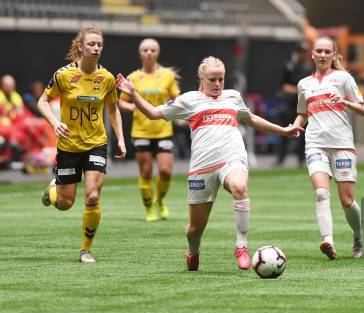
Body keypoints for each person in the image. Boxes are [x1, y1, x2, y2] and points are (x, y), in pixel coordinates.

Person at [116, 56, 302, 271]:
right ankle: (193, 252)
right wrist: (134, 94)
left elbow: (251, 119)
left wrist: (283, 130)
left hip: (232, 159)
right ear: (201, 78)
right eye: (212, 79)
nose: (217, 84)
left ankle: (241, 246)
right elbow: (154, 113)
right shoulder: (188, 100)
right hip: (202, 168)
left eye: (221, 79)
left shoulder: (233, 97)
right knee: (195, 229)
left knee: (240, 188)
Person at [38, 24, 126, 263]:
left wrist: (120, 138)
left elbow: (113, 109)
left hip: (96, 143)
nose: (96, 48)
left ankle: (85, 250)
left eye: (99, 44)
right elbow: (43, 102)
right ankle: (53, 190)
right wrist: (55, 122)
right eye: (91, 44)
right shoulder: (64, 75)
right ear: (80, 46)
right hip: (68, 145)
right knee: (65, 203)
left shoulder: (106, 78)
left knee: (93, 196)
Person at [292, 36, 364, 260]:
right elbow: (303, 113)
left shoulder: (343, 78)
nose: (323, 55)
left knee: (346, 201)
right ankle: (328, 240)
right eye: (319, 51)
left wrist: (345, 102)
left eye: (327, 51)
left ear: (334, 55)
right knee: (322, 193)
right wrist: (294, 127)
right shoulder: (304, 84)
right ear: (312, 54)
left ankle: (359, 236)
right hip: (315, 144)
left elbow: (362, 109)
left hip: (342, 144)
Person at [118, 38, 180, 222]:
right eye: (145, 50)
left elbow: (177, 98)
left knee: (166, 171)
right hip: (141, 130)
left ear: (158, 52)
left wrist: (174, 108)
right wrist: (132, 108)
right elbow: (121, 102)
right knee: (146, 172)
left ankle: (159, 200)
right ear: (140, 53)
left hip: (163, 129)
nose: (149, 53)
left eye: (153, 50)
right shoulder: (133, 77)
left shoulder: (168, 76)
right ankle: (149, 209)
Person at [276, 42, 313, 166]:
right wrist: (298, 90)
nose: (302, 54)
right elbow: (283, 86)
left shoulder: (309, 68)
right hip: (291, 104)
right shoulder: (289, 66)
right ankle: (281, 158)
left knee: (304, 134)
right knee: (286, 131)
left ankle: (301, 160)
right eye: (300, 52)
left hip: (304, 105)